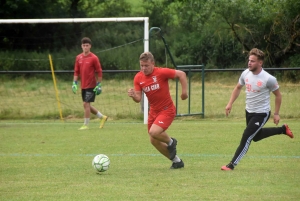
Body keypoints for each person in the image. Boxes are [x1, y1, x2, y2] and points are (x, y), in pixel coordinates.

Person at [221, 48, 294, 171]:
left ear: (260, 63)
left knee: (247, 137)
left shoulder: (268, 79)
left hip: (262, 113)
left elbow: (278, 95)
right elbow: (238, 87)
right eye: (249, 60)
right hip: (249, 111)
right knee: (255, 136)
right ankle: (283, 129)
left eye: (253, 61)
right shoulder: (245, 74)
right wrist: (230, 103)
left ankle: (231, 164)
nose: (249, 63)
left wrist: (276, 114)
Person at [127, 52, 188, 169]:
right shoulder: (138, 78)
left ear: (153, 64)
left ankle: (171, 142)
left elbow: (182, 74)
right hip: (153, 112)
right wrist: (133, 95)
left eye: (146, 65)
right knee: (153, 140)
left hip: (167, 110)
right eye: (142, 66)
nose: (144, 68)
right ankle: (177, 162)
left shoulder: (161, 72)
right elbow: (138, 98)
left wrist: (184, 92)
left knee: (154, 132)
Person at [72, 37, 108, 130]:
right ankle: (102, 117)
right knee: (86, 105)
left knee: (86, 104)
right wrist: (74, 83)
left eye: (87, 45)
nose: (85, 47)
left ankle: (86, 124)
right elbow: (76, 71)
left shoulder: (94, 58)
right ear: (81, 46)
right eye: (83, 45)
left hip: (91, 84)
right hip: (83, 85)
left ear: (90, 46)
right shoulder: (78, 58)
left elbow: (99, 71)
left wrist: (99, 84)